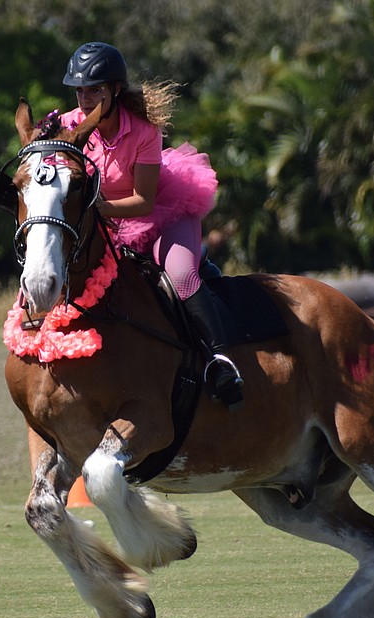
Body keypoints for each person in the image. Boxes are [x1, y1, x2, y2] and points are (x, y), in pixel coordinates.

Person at [60, 42, 244, 409]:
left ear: (114, 90)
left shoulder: (144, 131)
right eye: (79, 90)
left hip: (158, 214)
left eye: (94, 89)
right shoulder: (67, 126)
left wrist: (96, 209)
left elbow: (143, 202)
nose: (84, 98)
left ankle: (220, 360)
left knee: (182, 274)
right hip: (102, 223)